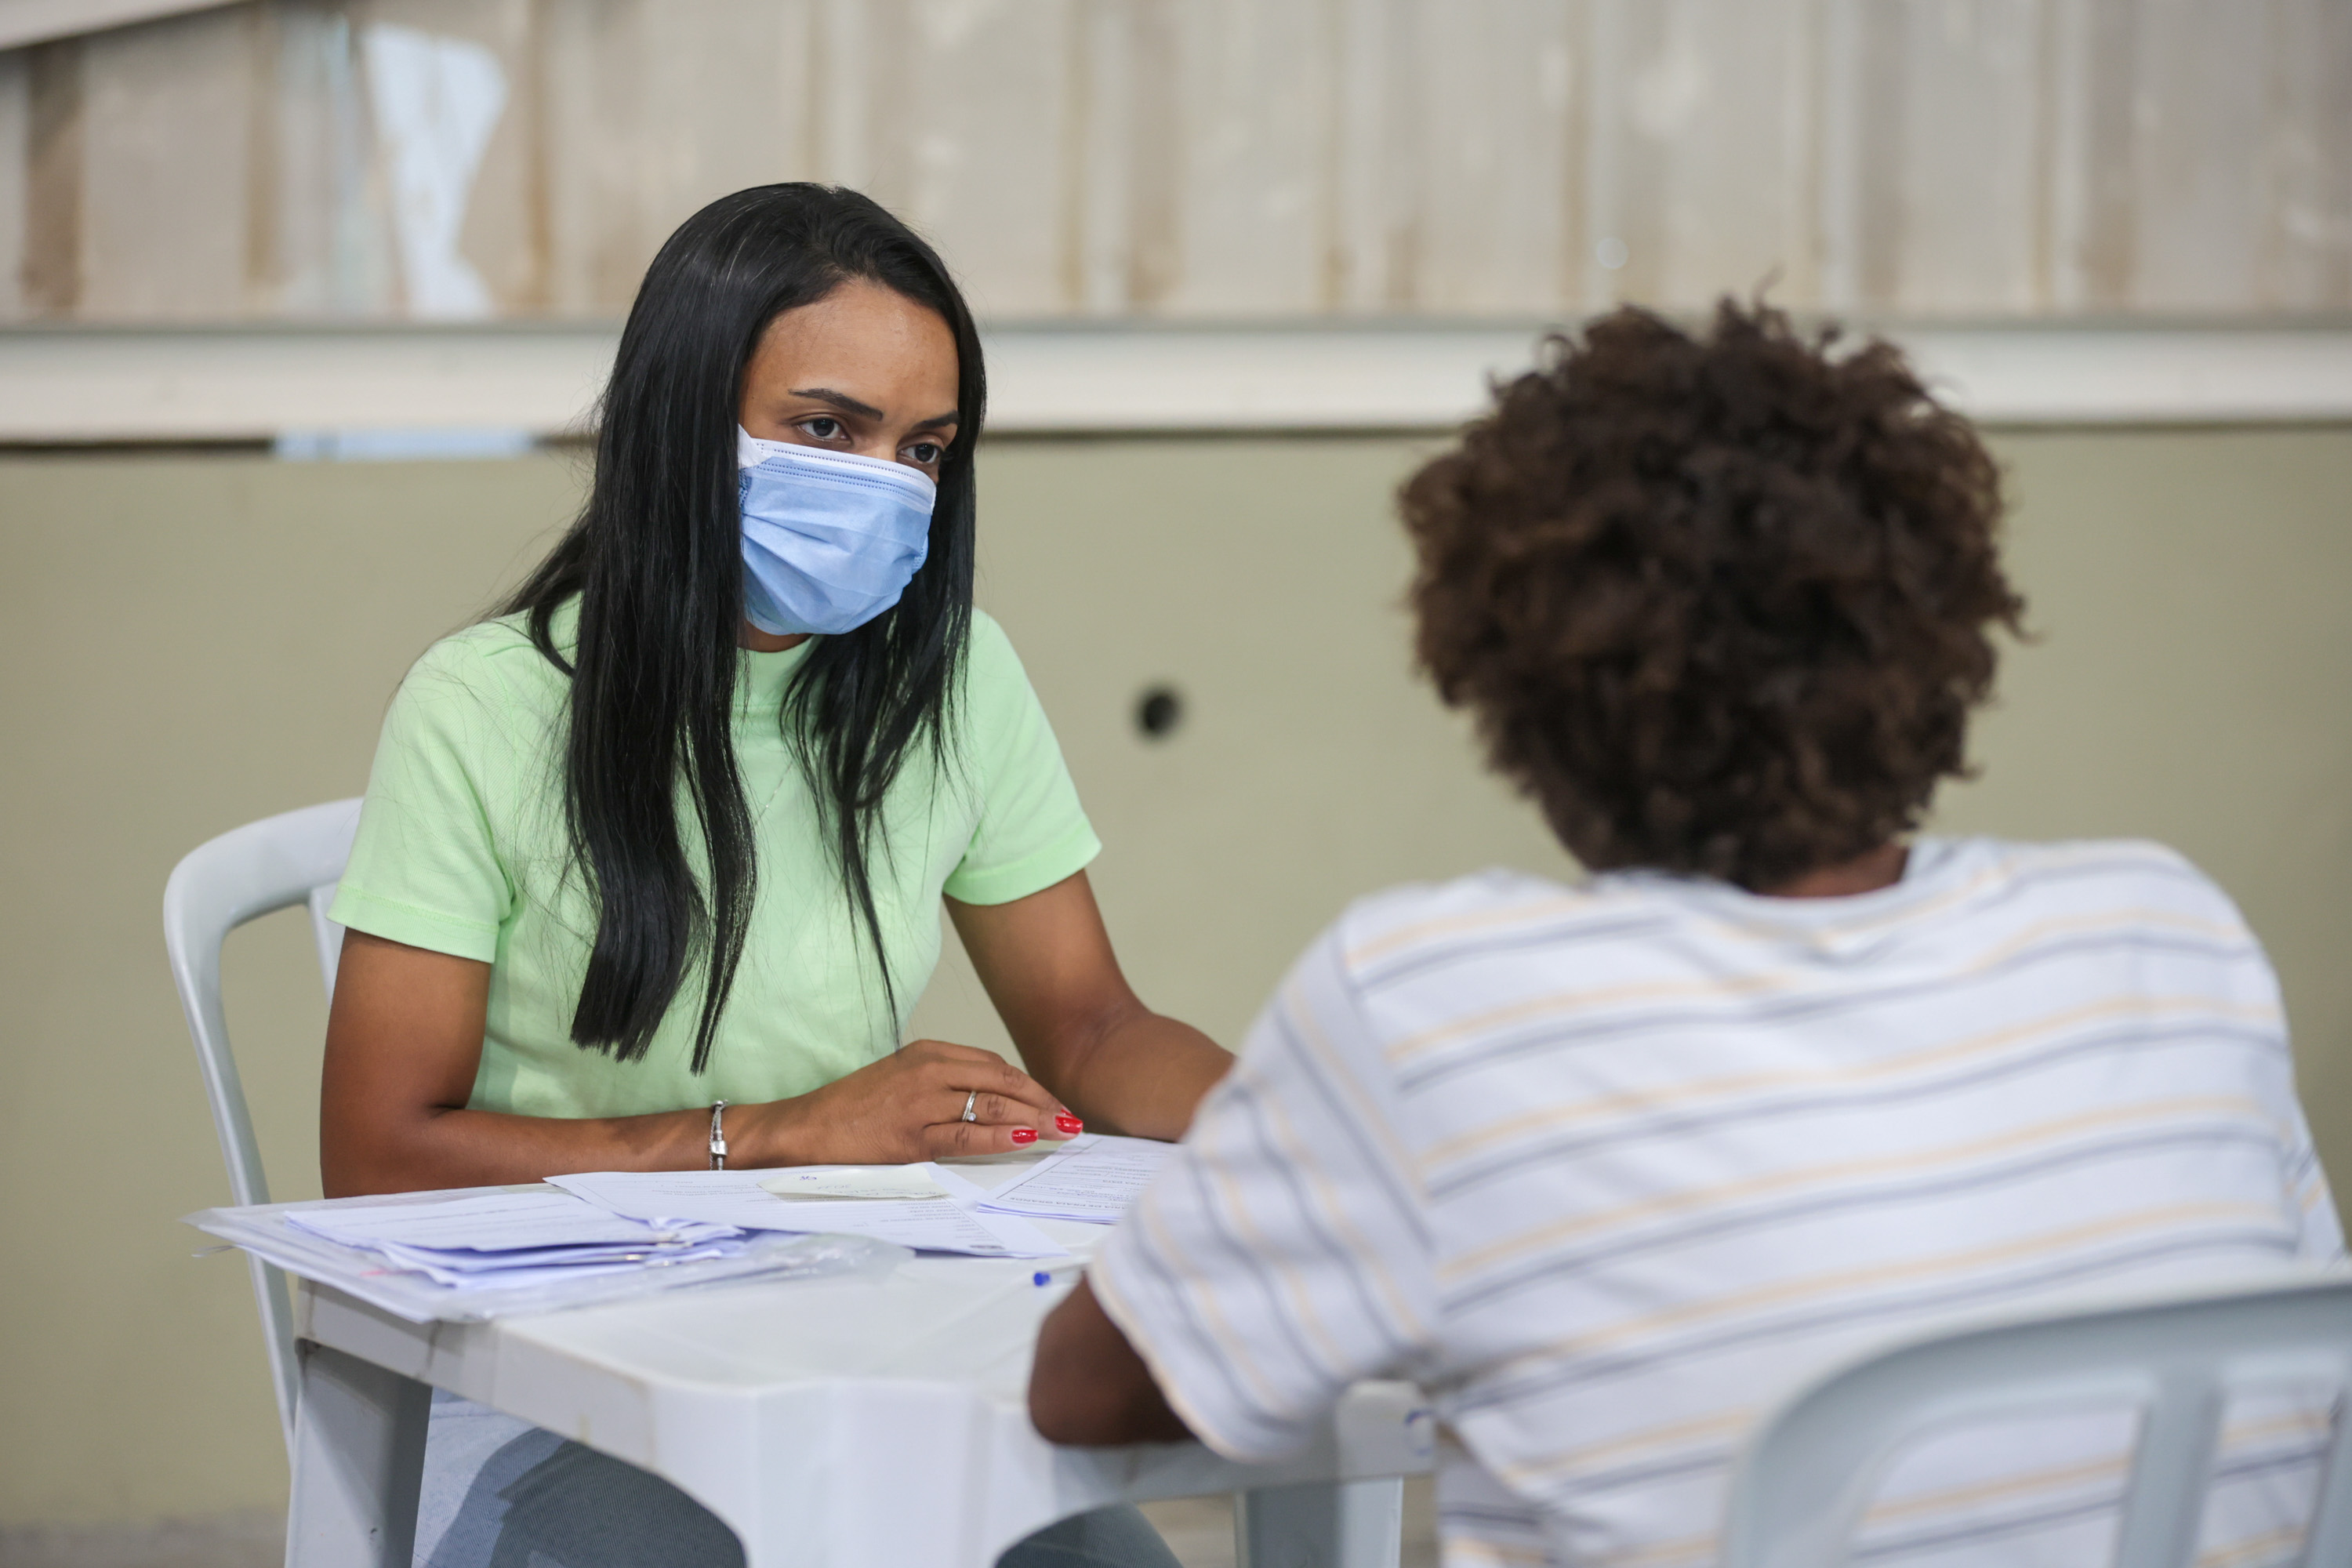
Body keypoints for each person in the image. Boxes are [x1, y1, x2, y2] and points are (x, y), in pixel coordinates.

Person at [1030, 302, 2347, 1567]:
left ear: (1514, 684)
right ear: (1939, 637)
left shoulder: (1444, 1005)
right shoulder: (2167, 936)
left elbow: (1085, 1393)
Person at [322, 184, 1221, 1568]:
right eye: (825, 428)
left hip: (865, 1338)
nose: (884, 484)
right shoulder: (487, 707)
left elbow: (1095, 1028)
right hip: (556, 1384)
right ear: (685, 419)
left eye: (925, 448)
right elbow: (381, 1161)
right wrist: (785, 1131)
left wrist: (1281, 1118)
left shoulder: (957, 679)